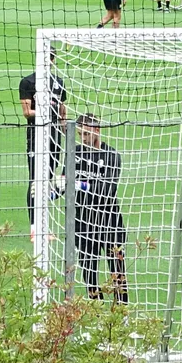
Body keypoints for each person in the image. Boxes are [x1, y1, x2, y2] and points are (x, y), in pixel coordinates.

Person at [70, 113, 127, 304]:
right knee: (89, 273)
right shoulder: (74, 153)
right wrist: (50, 190)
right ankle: (95, 316)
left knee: (117, 271)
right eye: (79, 135)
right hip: (84, 223)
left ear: (96, 130)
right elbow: (64, 183)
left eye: (85, 134)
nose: (82, 139)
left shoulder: (111, 155)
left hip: (110, 222)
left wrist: (81, 185)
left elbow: (108, 190)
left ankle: (122, 315)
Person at [20, 52, 68, 225]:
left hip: (54, 137)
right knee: (35, 178)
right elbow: (27, 113)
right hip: (36, 136)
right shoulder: (28, 82)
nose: (48, 61)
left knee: (48, 178)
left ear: (53, 61)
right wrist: (47, 112)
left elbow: (62, 111)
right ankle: (35, 226)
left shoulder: (59, 83)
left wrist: (66, 131)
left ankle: (43, 218)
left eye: (51, 57)